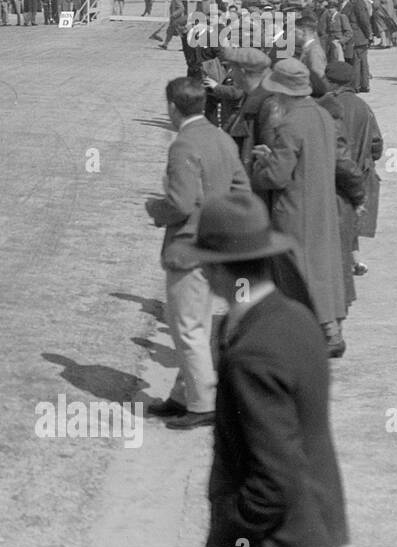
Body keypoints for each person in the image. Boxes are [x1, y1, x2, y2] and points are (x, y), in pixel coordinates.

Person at [183, 189, 348, 547]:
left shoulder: (253, 351)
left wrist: (227, 532)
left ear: (216, 269)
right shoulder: (295, 318)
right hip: (302, 529)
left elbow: (273, 480)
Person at [145, 77, 251, 429]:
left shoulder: (183, 145)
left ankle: (203, 403)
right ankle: (182, 395)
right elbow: (241, 188)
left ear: (173, 107)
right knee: (198, 325)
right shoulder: (221, 137)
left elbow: (179, 202)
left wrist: (154, 209)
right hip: (215, 247)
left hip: (188, 247)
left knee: (187, 328)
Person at [250, 58, 349, 356]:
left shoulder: (290, 123)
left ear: (281, 92)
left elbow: (277, 176)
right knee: (323, 269)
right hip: (321, 203)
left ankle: (312, 337)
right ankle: (332, 331)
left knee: (298, 276)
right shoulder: (321, 115)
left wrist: (260, 164)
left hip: (294, 209)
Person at [322, 61, 381, 281]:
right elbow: (377, 143)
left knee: (337, 217)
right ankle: (356, 260)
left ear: (331, 82)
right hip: (360, 171)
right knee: (350, 217)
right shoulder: (363, 106)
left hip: (335, 172)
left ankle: (349, 262)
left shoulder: (327, 105)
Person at [341, 0, 373, 92]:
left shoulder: (358, 3)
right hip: (358, 36)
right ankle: (362, 85)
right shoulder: (353, 3)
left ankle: (358, 85)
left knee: (358, 62)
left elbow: (364, 21)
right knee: (360, 61)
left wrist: (369, 34)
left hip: (358, 36)